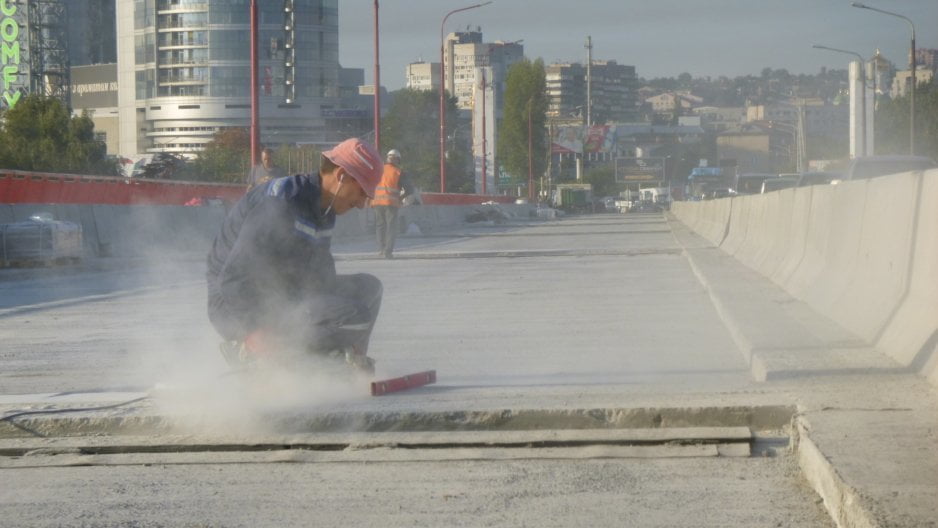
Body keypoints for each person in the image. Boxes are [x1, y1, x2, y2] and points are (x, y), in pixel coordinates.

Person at [207, 138, 384, 374]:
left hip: (285, 294)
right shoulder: (281, 204)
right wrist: (255, 333)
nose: (363, 204)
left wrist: (342, 329)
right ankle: (255, 353)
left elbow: (321, 276)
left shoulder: (324, 210)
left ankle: (346, 360)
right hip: (239, 307)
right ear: (341, 175)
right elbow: (233, 279)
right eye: (362, 192)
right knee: (355, 315)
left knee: (369, 289)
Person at [371, 149, 414, 258]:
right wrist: (401, 197)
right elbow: (410, 189)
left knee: (380, 226)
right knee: (391, 227)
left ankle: (381, 249)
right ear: (397, 160)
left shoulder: (378, 169)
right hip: (391, 203)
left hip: (376, 202)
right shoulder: (399, 172)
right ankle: (388, 252)